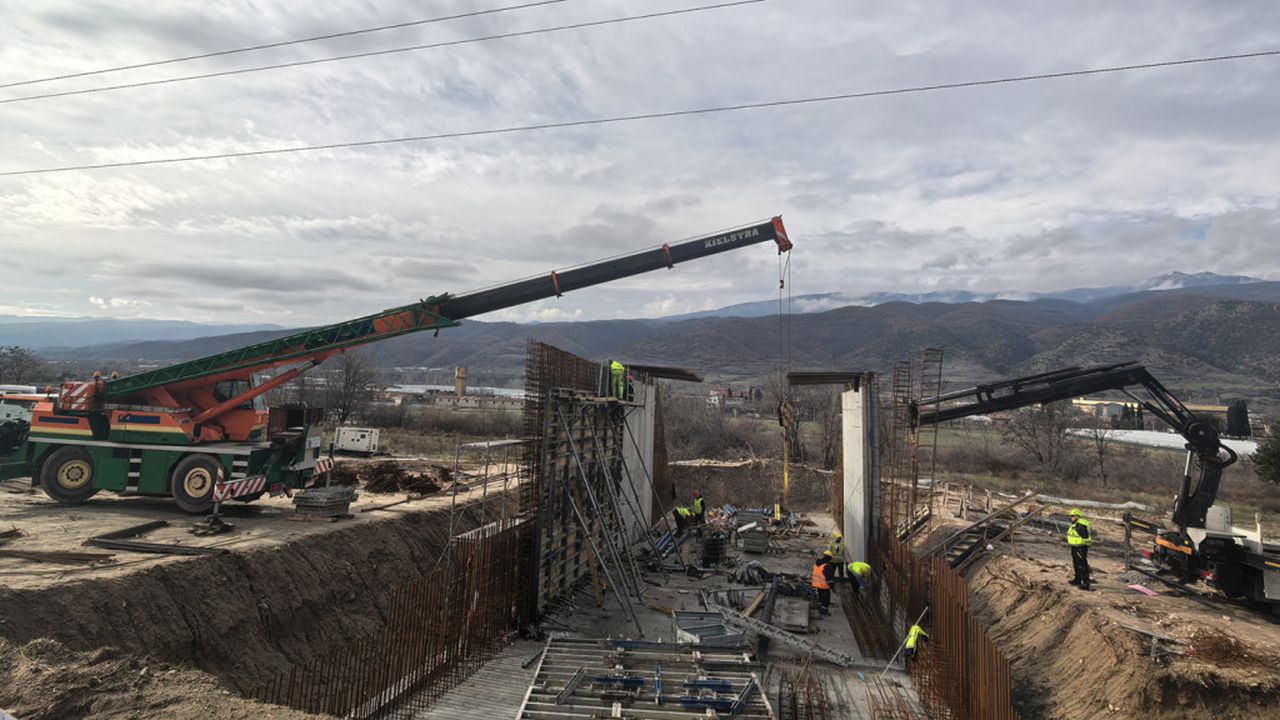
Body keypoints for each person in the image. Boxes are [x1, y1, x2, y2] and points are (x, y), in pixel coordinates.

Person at [1066, 508, 1094, 590]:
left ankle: (1085, 582)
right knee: (1076, 564)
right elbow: (1073, 535)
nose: (1071, 517)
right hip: (1075, 546)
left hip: (1080, 547)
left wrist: (1085, 545)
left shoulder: (1081, 525)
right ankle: (1078, 579)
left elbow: (1084, 537)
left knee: (1082, 565)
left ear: (1077, 516)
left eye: (1073, 516)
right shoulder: (1074, 524)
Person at [811, 550, 836, 616]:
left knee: (821, 597)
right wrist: (832, 587)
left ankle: (820, 608)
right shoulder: (827, 566)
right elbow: (829, 579)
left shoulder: (816, 562)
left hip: (817, 584)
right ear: (830, 558)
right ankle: (824, 611)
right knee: (826, 599)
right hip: (824, 585)